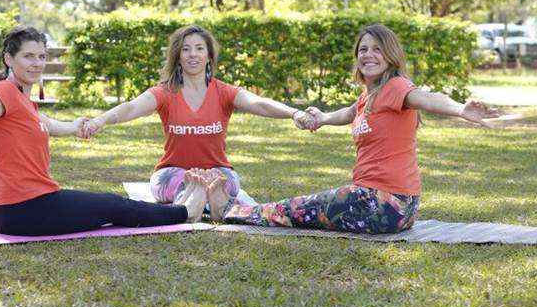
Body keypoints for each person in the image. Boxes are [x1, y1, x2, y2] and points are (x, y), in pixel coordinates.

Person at [203, 24, 499, 233]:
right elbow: (349, 113)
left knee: (297, 208)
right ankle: (231, 210)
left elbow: (426, 98)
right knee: (306, 209)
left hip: (382, 204)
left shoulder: (396, 87)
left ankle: (228, 211)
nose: (368, 55)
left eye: (377, 50)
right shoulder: (370, 95)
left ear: (391, 55)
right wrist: (321, 118)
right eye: (363, 49)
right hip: (395, 209)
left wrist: (460, 109)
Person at [0, 26, 207, 236]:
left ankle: (178, 209)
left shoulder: (24, 102)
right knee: (113, 205)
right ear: (8, 59)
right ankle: (184, 213)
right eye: (29, 56)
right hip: (24, 208)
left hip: (17, 210)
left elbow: (49, 126)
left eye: (41, 56)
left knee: (104, 207)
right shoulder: (3, 93)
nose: (37, 63)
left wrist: (77, 127)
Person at [79, 25, 315, 208]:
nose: (193, 54)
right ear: (178, 55)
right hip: (173, 173)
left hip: (216, 170)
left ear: (209, 56)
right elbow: (131, 108)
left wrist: (293, 112)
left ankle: (201, 199)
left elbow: (259, 103)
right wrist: (101, 120)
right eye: (186, 48)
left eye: (199, 48)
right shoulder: (165, 92)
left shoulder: (223, 91)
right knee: (183, 185)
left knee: (229, 183)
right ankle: (207, 200)